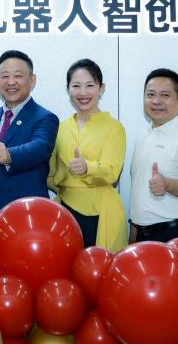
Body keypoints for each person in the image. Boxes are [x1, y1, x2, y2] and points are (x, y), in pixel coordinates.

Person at [0, 50, 59, 242]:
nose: (11, 82)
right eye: (5, 76)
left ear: (32, 80)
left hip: (29, 222)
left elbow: (40, 148)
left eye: (18, 76)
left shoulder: (45, 118)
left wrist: (9, 155)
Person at [48, 59, 127, 251]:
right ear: (68, 89)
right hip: (65, 210)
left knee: (99, 266)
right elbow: (50, 173)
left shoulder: (114, 127)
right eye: (76, 86)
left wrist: (87, 168)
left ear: (102, 88)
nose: (83, 93)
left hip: (101, 212)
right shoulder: (61, 127)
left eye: (90, 85)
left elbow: (112, 172)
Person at [128, 69, 178, 243]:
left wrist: (167, 184)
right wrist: (134, 229)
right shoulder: (144, 133)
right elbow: (138, 188)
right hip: (140, 232)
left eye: (165, 95)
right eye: (151, 95)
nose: (156, 101)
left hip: (171, 233)